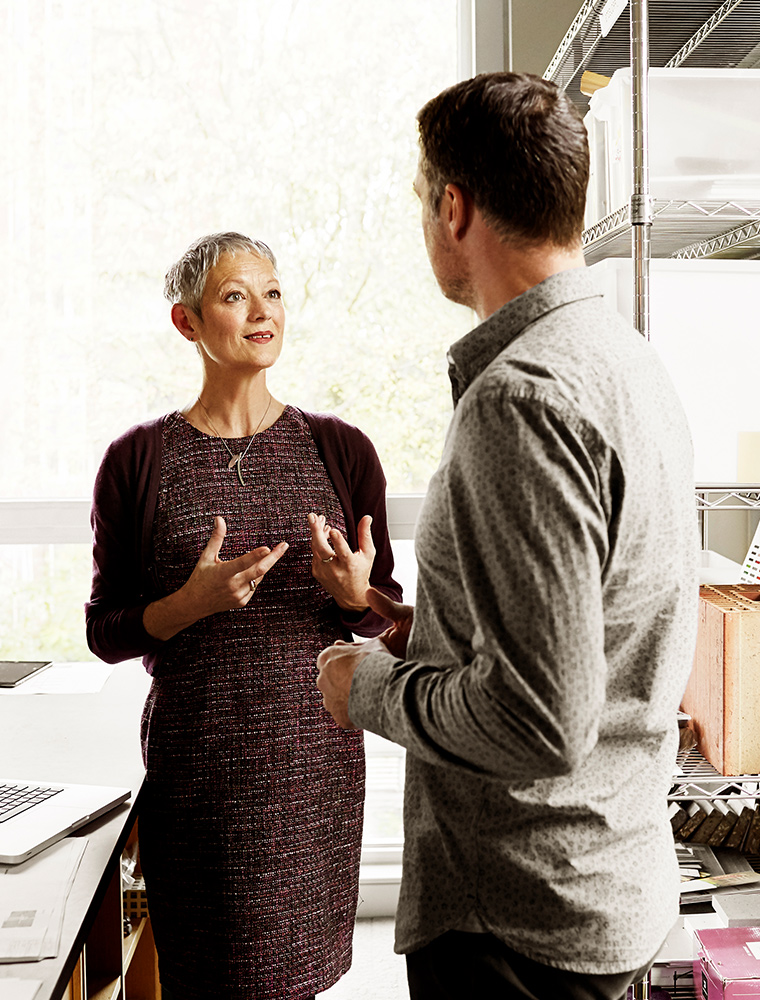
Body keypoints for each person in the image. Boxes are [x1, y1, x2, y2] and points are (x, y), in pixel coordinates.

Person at [316, 72, 699, 1000]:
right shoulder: (624, 359)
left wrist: (366, 686)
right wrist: (428, 636)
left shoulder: (520, 402)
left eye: (421, 198)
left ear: (454, 207)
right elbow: (584, 635)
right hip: (603, 889)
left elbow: (540, 722)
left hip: (519, 930)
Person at [85, 231, 402, 1000]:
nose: (263, 312)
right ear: (187, 323)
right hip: (202, 771)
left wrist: (357, 595)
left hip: (314, 773)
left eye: (273, 293)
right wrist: (189, 604)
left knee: (294, 982)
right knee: (210, 977)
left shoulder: (341, 450)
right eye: (235, 296)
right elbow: (105, 631)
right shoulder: (137, 462)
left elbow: (383, 615)